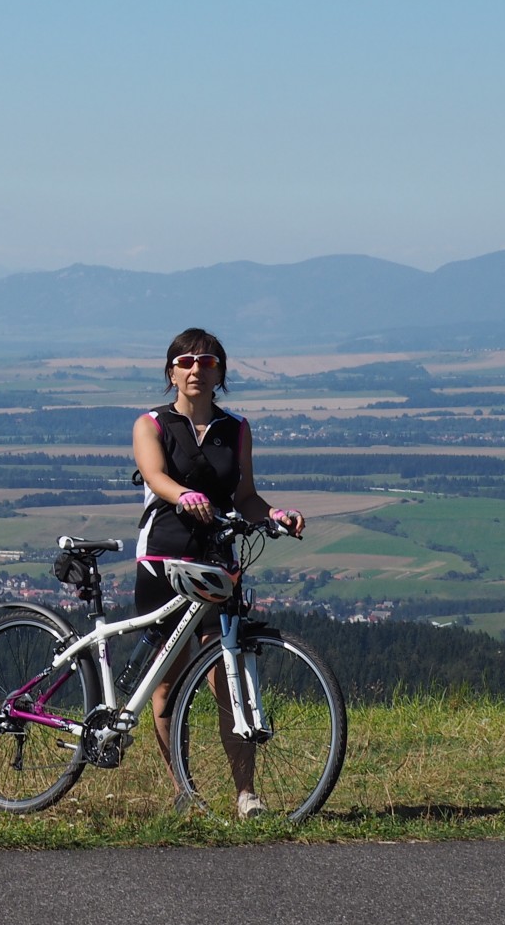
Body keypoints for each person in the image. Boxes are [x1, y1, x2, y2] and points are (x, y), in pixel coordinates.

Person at [130, 327, 305, 817]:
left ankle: (246, 794)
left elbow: (246, 496)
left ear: (220, 374)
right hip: (164, 561)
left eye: (207, 363)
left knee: (229, 679)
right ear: (171, 372)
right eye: (185, 362)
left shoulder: (237, 429)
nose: (196, 370)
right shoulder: (152, 424)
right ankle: (183, 791)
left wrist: (275, 515)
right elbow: (155, 476)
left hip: (218, 565)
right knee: (168, 683)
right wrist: (183, 494)